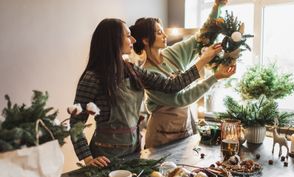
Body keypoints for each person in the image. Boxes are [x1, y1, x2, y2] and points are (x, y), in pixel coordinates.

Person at [70, 18, 231, 167]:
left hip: (134, 151)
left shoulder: (132, 70)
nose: (133, 40)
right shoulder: (92, 78)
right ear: (113, 40)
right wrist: (89, 158)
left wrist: (206, 63)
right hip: (105, 157)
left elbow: (172, 86)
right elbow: (75, 122)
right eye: (128, 36)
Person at [130, 0, 234, 148]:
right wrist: (213, 74)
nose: (164, 35)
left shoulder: (172, 53)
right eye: (159, 33)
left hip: (184, 128)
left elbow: (201, 38)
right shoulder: (147, 73)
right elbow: (181, 98)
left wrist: (217, 6)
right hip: (161, 135)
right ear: (146, 40)